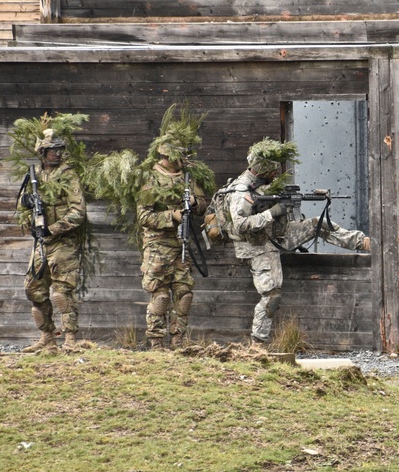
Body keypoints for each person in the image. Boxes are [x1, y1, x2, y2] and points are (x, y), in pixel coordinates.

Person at [219, 138, 370, 344]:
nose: (276, 173)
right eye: (273, 169)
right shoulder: (242, 191)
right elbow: (241, 225)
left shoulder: (263, 184)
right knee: (272, 297)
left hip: (276, 236)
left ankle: (364, 243)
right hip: (257, 247)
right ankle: (257, 346)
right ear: (262, 168)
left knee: (318, 224)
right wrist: (273, 212)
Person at [137, 138, 209, 350]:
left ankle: (178, 341)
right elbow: (143, 216)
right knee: (159, 296)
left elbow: (203, 205)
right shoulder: (151, 179)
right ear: (167, 156)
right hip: (158, 247)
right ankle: (156, 342)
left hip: (182, 245)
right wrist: (172, 216)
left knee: (184, 294)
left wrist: (195, 204)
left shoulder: (186, 178)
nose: (182, 161)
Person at [19, 129, 87, 354]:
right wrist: (26, 203)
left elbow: (78, 212)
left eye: (60, 150)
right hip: (40, 243)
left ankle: (69, 340)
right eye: (52, 150)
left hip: (63, 242)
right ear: (42, 152)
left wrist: (53, 229)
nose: (57, 154)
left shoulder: (68, 175)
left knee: (61, 292)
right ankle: (47, 337)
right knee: (34, 290)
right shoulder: (34, 174)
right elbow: (20, 209)